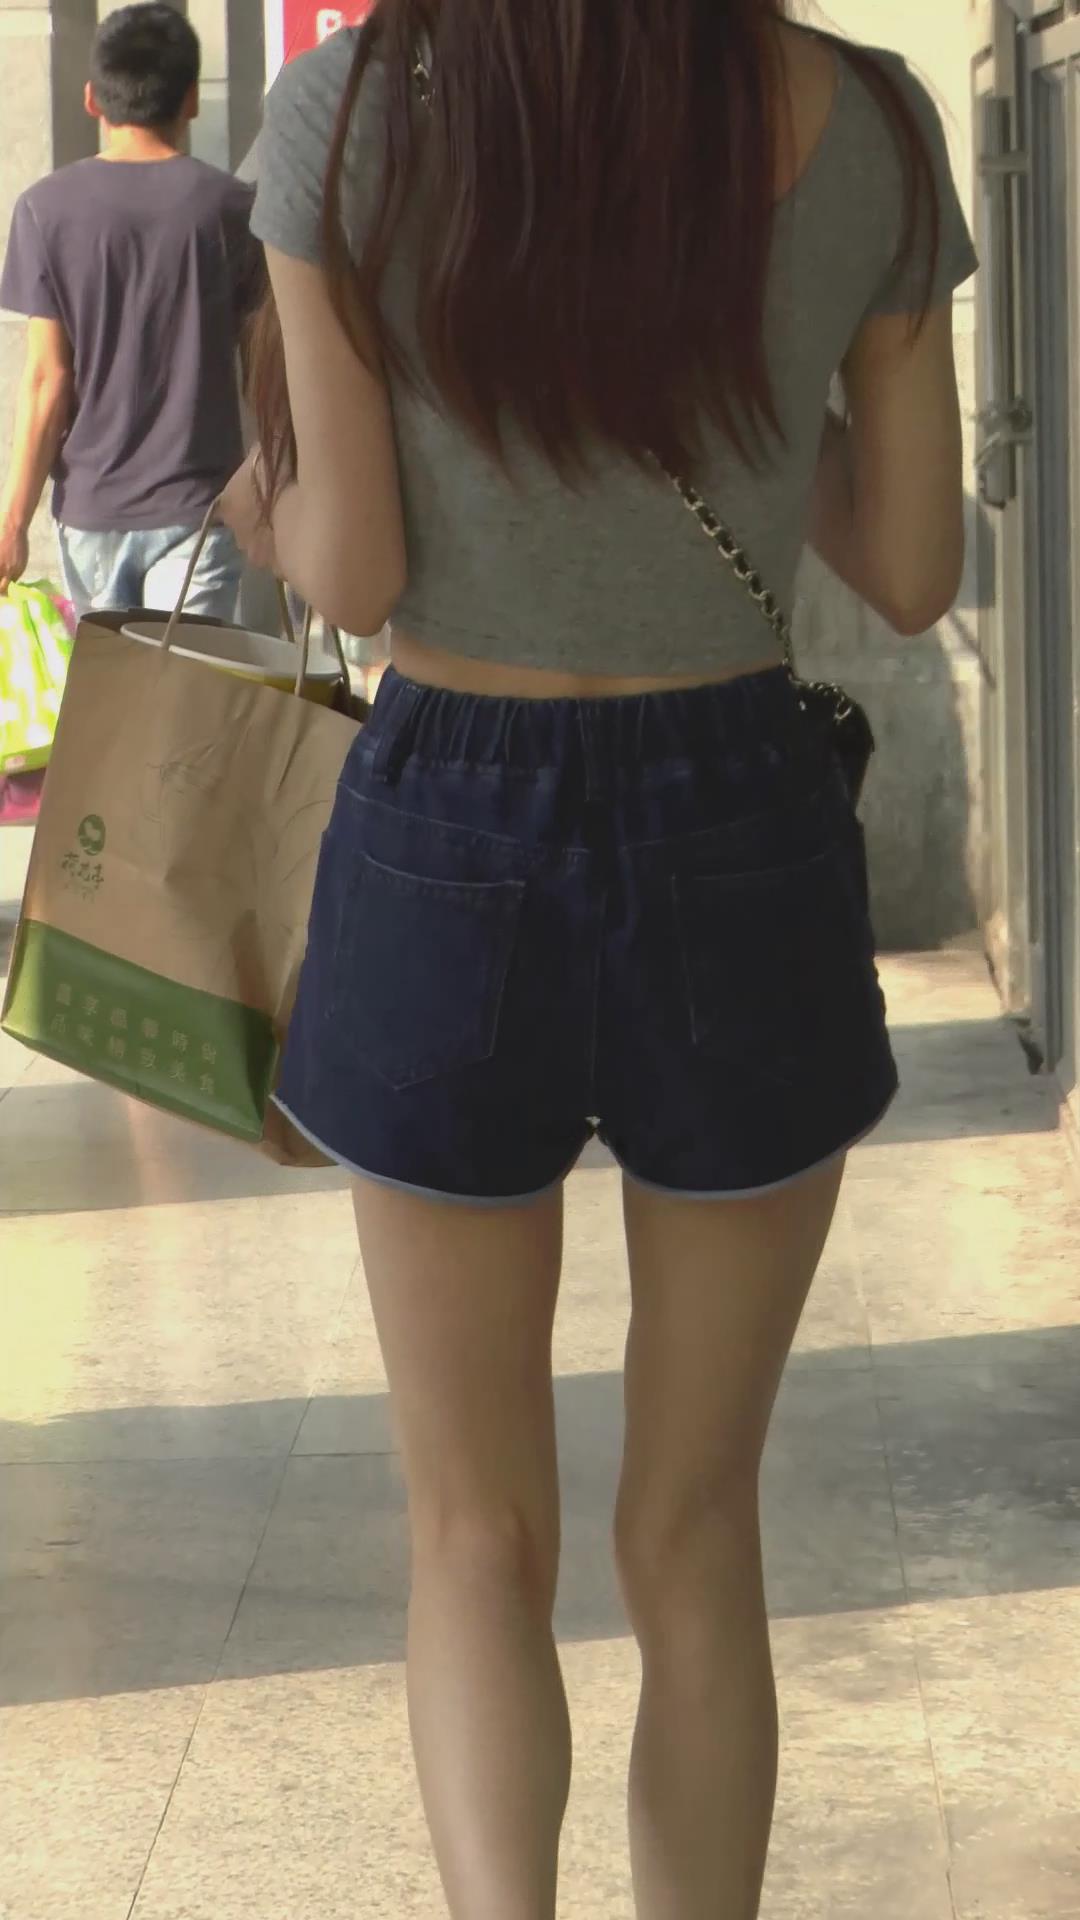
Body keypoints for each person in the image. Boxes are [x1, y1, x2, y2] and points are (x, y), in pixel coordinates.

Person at [222, 4, 976, 1915]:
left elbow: (356, 573)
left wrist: (264, 507)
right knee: (696, 1530)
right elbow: (911, 569)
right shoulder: (871, 122)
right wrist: (750, 408)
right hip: (738, 810)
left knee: (474, 1535)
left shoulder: (347, 112)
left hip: (450, 814)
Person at [0, 3, 262, 621]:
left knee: (107, 681)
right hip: (200, 509)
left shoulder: (43, 209)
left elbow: (47, 380)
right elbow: (265, 367)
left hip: (91, 510)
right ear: (191, 99)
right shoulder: (232, 209)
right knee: (185, 680)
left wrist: (13, 523)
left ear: (92, 99)